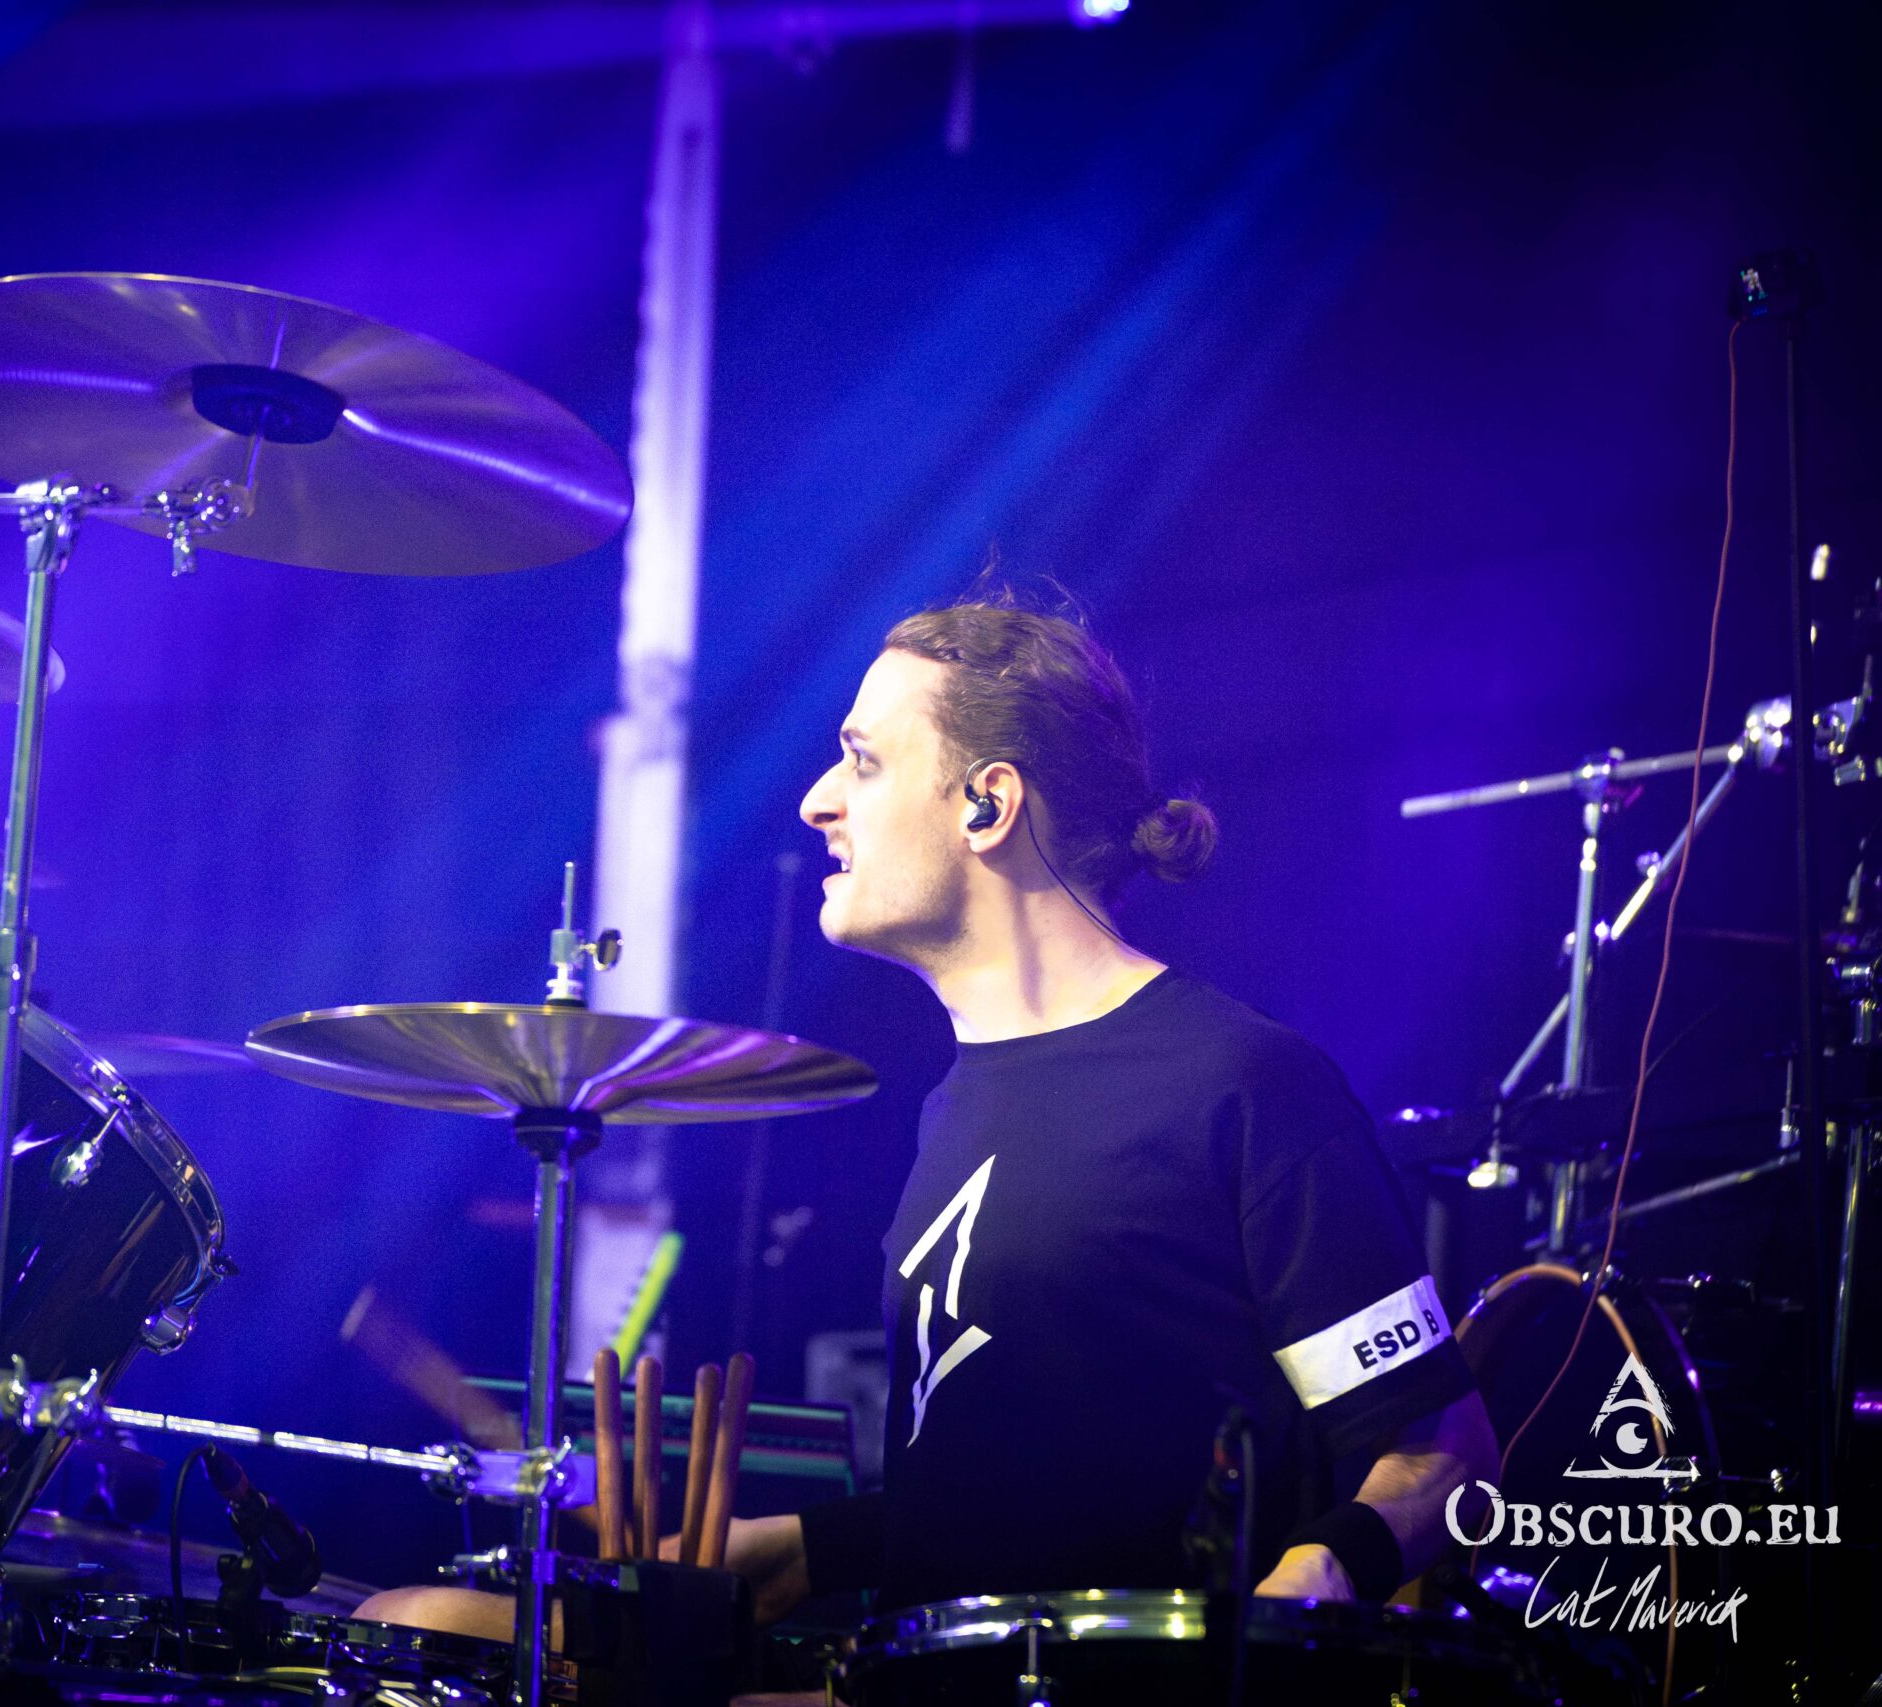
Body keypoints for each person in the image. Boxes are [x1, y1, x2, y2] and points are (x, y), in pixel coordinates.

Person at [359, 597, 1495, 1643]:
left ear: (986, 803)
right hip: (920, 1663)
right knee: (416, 1624)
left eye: (861, 759)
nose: (816, 800)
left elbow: (1444, 1455)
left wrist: (1308, 1583)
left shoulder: (1242, 1085)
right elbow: (1039, 1495)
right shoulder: (957, 1102)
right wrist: (805, 1548)